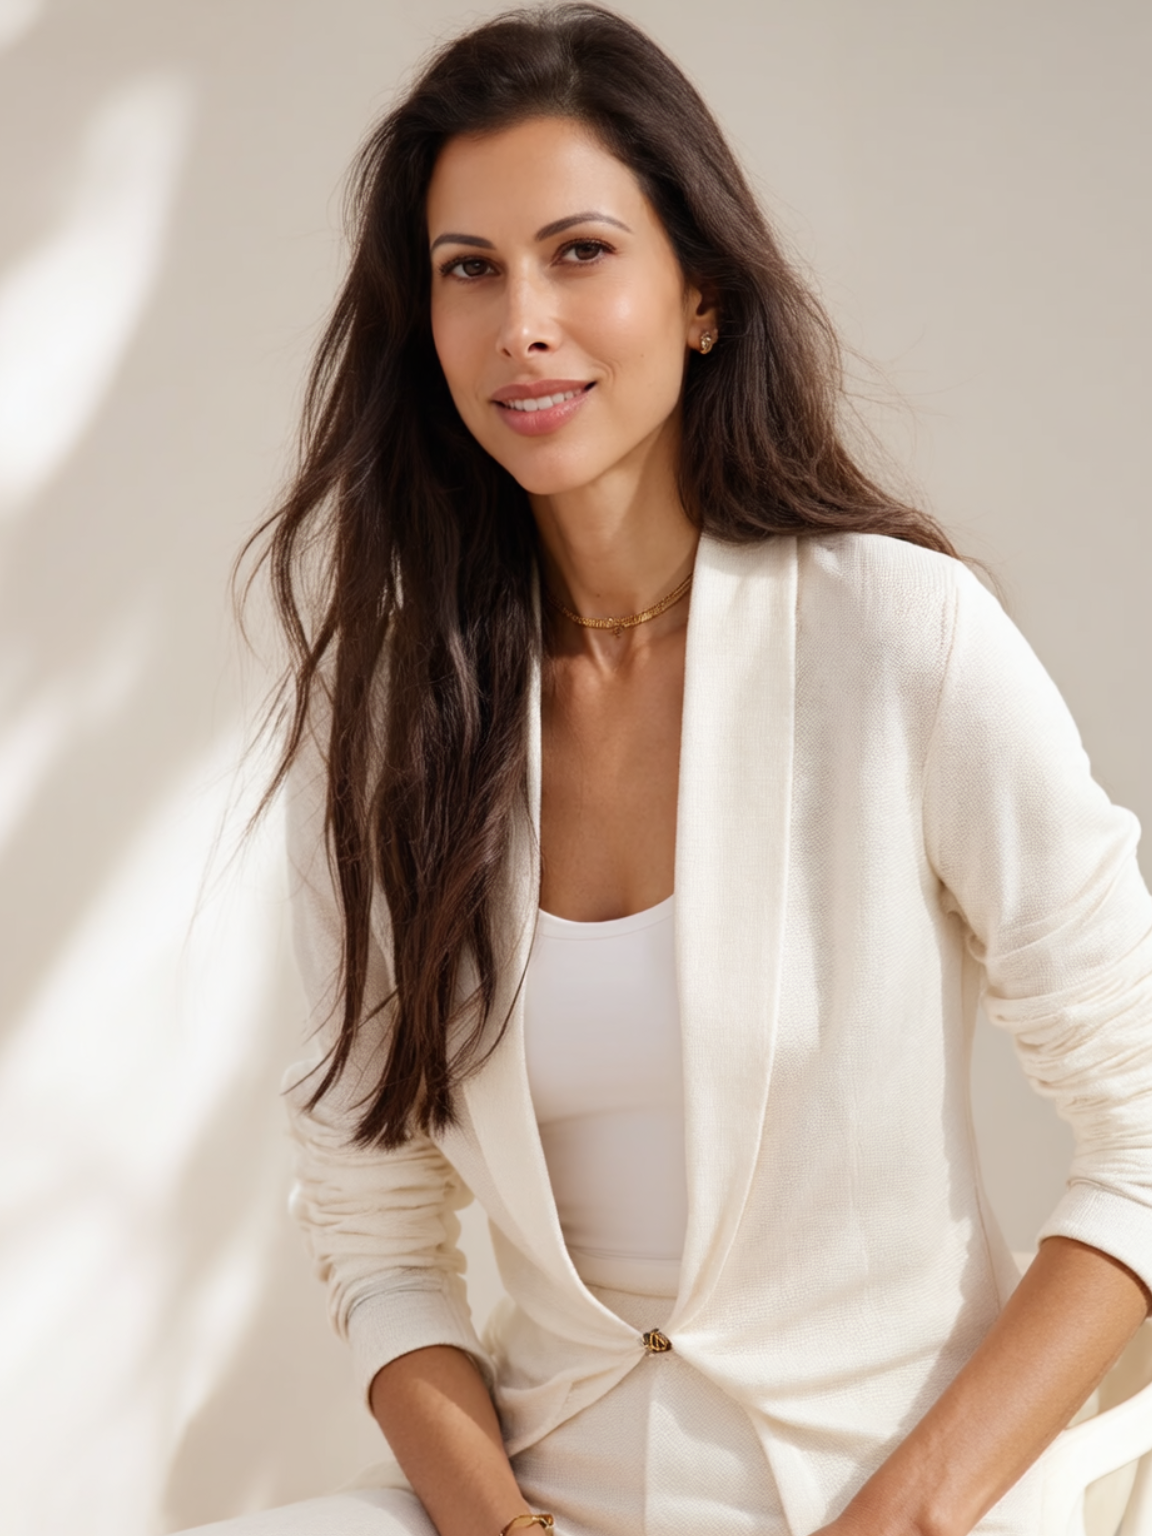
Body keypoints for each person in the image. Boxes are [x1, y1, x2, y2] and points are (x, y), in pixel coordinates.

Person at [194, 5, 1152, 1533]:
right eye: (470, 270)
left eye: (580, 253)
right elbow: (377, 1231)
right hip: (541, 1496)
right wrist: (502, 1527)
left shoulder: (899, 640)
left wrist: (902, 1521)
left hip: (893, 1497)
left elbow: (1144, 1127)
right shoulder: (392, 726)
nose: (523, 321)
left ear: (699, 294)